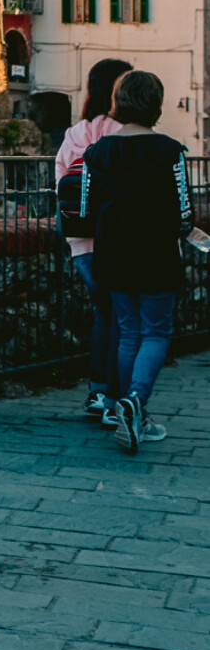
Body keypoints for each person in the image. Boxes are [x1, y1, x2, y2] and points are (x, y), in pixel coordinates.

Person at [83, 69, 192, 455]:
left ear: (118, 102)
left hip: (113, 255)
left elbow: (86, 209)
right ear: (156, 104)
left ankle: (128, 406)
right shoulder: (172, 152)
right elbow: (184, 214)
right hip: (157, 254)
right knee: (156, 333)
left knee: (127, 331)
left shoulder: (96, 153)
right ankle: (136, 403)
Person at [55, 57, 132, 426]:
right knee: (124, 318)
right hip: (120, 241)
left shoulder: (75, 134)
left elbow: (59, 186)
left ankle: (98, 392)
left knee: (105, 314)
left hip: (82, 243)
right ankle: (118, 398)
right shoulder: (126, 133)